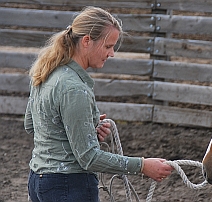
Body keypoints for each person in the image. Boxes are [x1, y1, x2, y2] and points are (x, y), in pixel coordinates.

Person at [24, 6, 173, 202]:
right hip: (69, 186)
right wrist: (143, 166)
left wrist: (85, 130)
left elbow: (31, 125)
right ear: (87, 41)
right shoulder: (75, 89)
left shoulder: (46, 71)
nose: (112, 53)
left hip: (39, 182)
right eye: (108, 46)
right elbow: (89, 158)